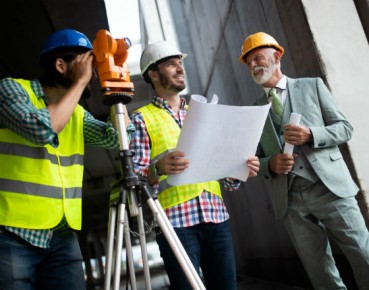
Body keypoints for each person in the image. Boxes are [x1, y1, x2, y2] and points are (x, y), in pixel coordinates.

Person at [0, 29, 133, 290]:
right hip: (12, 233)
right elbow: (40, 129)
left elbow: (117, 138)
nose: (93, 73)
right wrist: (81, 82)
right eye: (88, 64)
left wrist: (117, 85)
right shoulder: (12, 89)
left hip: (62, 236)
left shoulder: (77, 113)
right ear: (61, 65)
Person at [239, 31, 369, 289]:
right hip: (290, 200)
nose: (253, 65)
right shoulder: (253, 110)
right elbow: (251, 159)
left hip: (330, 188)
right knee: (320, 273)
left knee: (363, 254)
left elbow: (345, 128)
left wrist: (312, 134)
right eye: (249, 63)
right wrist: (270, 165)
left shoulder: (312, 86)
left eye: (257, 58)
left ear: (276, 56)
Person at [130, 40, 260, 290]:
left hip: (216, 216)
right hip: (174, 223)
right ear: (153, 74)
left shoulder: (202, 114)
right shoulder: (140, 119)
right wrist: (157, 168)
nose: (180, 69)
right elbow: (135, 181)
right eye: (171, 64)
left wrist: (241, 169)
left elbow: (228, 180)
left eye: (181, 64)